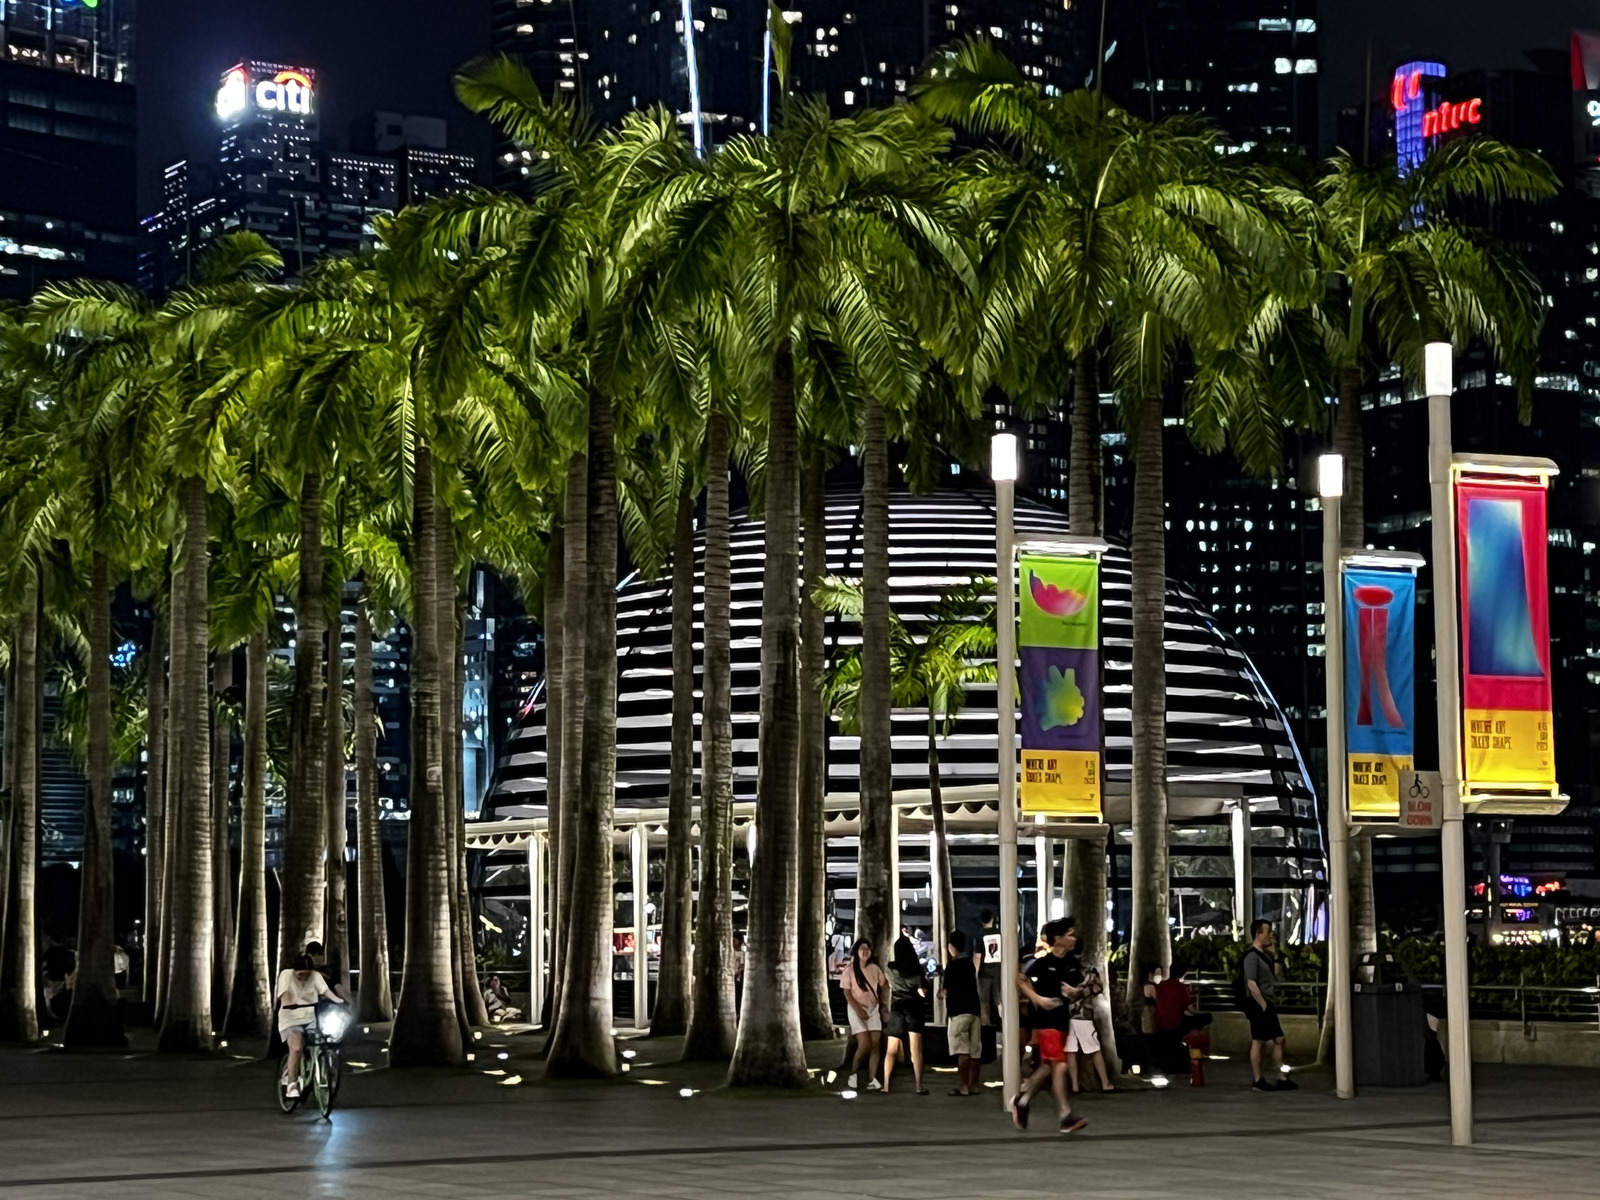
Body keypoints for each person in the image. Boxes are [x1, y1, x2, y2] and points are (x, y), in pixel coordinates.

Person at [1009, 919, 1088, 1134]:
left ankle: (1022, 1100)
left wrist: (1075, 992)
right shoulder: (1042, 961)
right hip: (1046, 1023)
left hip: (1063, 1021)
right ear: (1057, 939)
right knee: (1059, 1067)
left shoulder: (1073, 963)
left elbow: (1078, 987)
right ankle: (1065, 1114)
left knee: (1047, 1067)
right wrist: (1037, 998)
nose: (1074, 938)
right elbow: (1020, 979)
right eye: (1069, 934)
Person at [275, 952, 346, 1098]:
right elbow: (285, 995)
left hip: (309, 1017)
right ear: (294, 971)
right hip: (290, 1019)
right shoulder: (286, 975)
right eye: (300, 975)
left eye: (307, 974)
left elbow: (325, 991)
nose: (303, 978)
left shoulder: (316, 976)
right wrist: (289, 1003)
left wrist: (338, 1000)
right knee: (296, 1047)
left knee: (323, 1038)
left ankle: (319, 1067)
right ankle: (291, 1084)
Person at [1242, 919, 1297, 1091]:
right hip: (1259, 1002)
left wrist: (1275, 955)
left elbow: (1276, 975)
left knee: (1278, 1039)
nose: (1271, 935)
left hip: (1266, 1002)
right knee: (1258, 1041)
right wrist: (1263, 1004)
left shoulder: (1264, 955)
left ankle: (1279, 1076)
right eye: (1267, 932)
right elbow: (1251, 982)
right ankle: (1258, 1080)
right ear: (1258, 934)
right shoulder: (1251, 956)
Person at [883, 936, 929, 1095]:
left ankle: (886, 1085)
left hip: (897, 1007)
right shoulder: (916, 969)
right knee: (916, 1051)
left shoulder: (890, 968)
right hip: (914, 1008)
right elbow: (923, 991)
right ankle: (918, 1085)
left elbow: (888, 983)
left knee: (891, 1050)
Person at [839, 938, 887, 1091]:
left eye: (868, 949)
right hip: (856, 1008)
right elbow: (847, 993)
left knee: (875, 1045)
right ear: (856, 952)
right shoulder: (849, 971)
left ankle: (872, 1079)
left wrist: (884, 1004)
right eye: (862, 949)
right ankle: (853, 1073)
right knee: (864, 1043)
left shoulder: (874, 968)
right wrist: (858, 1009)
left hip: (873, 1009)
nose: (865, 952)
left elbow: (884, 985)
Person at [1066, 953, 1117, 1095]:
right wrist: (1082, 992)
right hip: (1083, 1016)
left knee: (1071, 1052)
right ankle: (1105, 1083)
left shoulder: (1063, 965)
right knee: (1094, 1050)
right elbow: (1098, 987)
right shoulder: (1087, 969)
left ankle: (1075, 1086)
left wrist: (1074, 993)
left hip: (1066, 1015)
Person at [940, 930, 983, 1096]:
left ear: (951, 946)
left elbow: (946, 991)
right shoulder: (969, 964)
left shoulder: (952, 966)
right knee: (975, 1050)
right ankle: (975, 1085)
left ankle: (964, 1086)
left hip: (958, 1011)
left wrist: (940, 994)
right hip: (974, 1010)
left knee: (962, 1050)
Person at [1152, 961, 1212, 1038]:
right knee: (1207, 1017)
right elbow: (1191, 1009)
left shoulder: (1160, 986)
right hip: (1175, 1025)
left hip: (1159, 1025)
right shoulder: (1181, 988)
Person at [975, 910, 1003, 1027]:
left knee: (984, 1002)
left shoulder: (980, 936)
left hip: (984, 973)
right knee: (999, 1001)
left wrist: (974, 974)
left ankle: (986, 1027)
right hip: (999, 972)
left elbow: (978, 957)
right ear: (992, 919)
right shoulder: (1000, 934)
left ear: (982, 921)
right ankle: (1004, 1025)